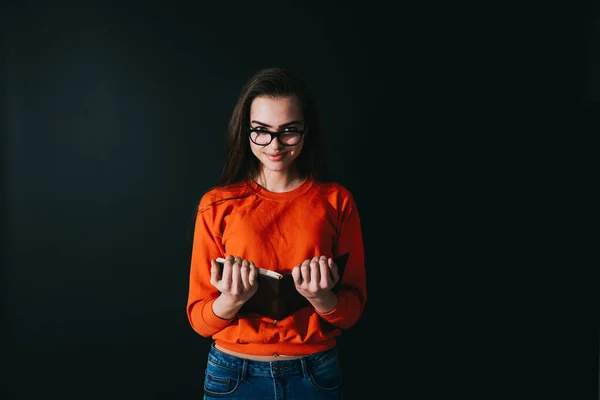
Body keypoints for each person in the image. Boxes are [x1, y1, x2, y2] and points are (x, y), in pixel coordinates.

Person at [186, 66, 367, 400]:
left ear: (305, 130)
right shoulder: (216, 204)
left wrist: (321, 299)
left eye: (289, 131)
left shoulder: (336, 201)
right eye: (261, 131)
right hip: (233, 376)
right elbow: (200, 321)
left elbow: (352, 311)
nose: (275, 144)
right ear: (246, 130)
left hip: (315, 373)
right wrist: (232, 300)